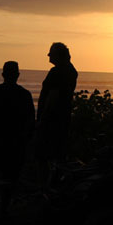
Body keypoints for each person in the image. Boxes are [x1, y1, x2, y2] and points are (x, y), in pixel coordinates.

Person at [0, 61, 35, 184]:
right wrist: (26, 139)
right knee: (11, 178)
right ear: (18, 75)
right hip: (16, 144)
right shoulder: (24, 94)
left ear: (3, 74)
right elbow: (30, 121)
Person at [36, 42, 77, 188]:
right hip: (63, 118)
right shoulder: (71, 71)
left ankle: (45, 187)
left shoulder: (57, 72)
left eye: (51, 53)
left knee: (42, 155)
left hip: (52, 120)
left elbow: (53, 96)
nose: (48, 55)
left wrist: (42, 119)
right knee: (59, 154)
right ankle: (57, 185)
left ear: (58, 55)